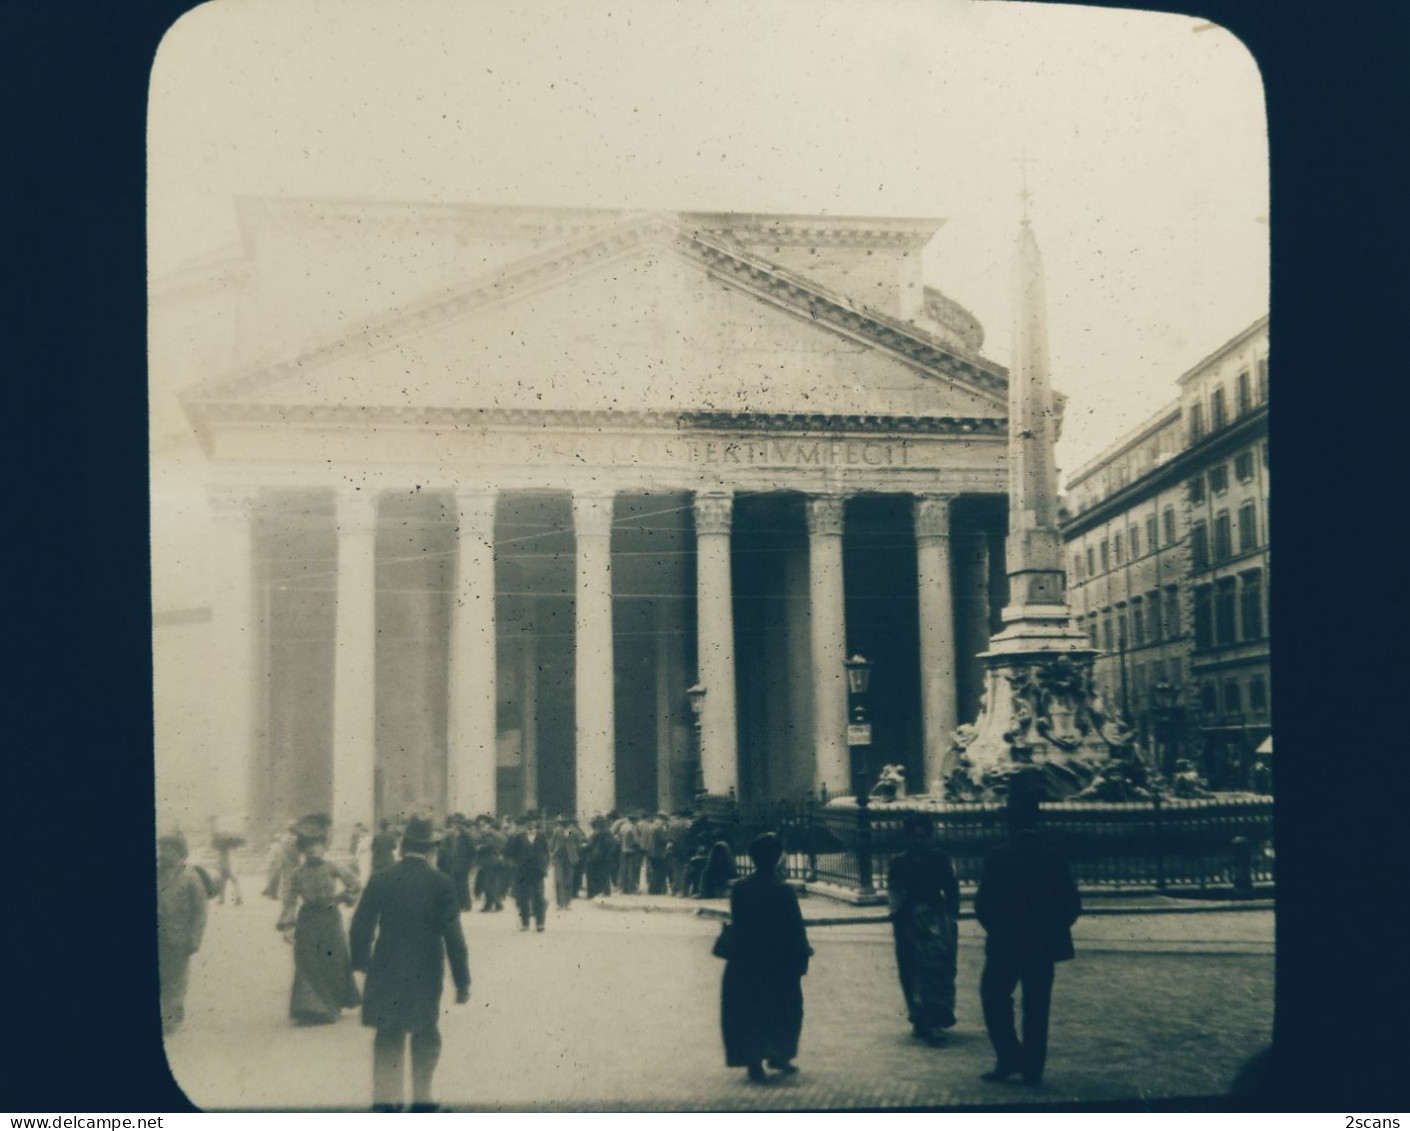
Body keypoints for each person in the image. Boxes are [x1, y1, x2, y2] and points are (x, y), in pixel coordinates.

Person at [350, 816, 471, 1113]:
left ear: (402, 848)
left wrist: (362, 961)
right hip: (426, 969)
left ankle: (386, 1101)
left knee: (388, 1032)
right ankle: (422, 1100)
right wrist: (462, 980)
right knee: (425, 1031)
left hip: (386, 965)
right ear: (430, 850)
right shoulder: (441, 883)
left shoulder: (381, 878)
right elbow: (454, 936)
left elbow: (360, 925)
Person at [975, 782, 1082, 1088]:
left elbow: (983, 905)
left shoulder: (997, 857)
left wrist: (998, 930)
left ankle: (1009, 1057)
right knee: (1037, 1005)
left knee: (994, 997)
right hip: (1042, 945)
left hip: (1005, 943)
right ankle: (1033, 1068)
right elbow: (1071, 905)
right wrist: (1050, 931)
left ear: (1010, 821)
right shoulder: (1054, 856)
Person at [720, 832, 812, 1083]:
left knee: (750, 1010)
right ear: (777, 858)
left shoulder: (740, 888)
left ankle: (754, 1061)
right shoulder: (783, 890)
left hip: (746, 959)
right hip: (778, 959)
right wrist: (802, 954)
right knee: (784, 1008)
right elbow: (795, 926)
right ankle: (779, 1054)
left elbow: (738, 921)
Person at [277, 814, 362, 1025]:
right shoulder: (296, 874)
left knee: (332, 960)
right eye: (308, 846)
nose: (313, 850)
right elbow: (289, 901)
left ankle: (331, 1005)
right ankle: (309, 1008)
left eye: (317, 845)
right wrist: (288, 926)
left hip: (330, 917)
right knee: (307, 961)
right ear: (302, 849)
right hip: (307, 920)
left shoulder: (333, 867)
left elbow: (355, 884)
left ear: (324, 846)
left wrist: (342, 898)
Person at [887, 813, 960, 1045]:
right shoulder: (898, 861)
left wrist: (950, 914)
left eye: (922, 836)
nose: (918, 841)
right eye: (913, 836)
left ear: (929, 836)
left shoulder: (940, 859)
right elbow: (894, 890)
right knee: (912, 969)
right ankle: (920, 1016)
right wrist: (898, 914)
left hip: (937, 917)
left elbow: (951, 888)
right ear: (907, 837)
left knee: (937, 967)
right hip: (909, 918)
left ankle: (935, 1018)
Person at [157, 832, 209, 1035]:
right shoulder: (157, 873)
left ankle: (170, 1019)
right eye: (161, 849)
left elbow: (200, 911)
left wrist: (195, 938)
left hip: (179, 938)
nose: (162, 854)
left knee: (176, 980)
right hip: (160, 936)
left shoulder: (191, 877)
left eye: (167, 850)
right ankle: (170, 1014)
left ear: (179, 853)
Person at [505, 812, 551, 931]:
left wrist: (544, 865)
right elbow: (512, 853)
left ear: (536, 823)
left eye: (533, 821)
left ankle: (540, 924)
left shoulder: (542, 835)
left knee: (539, 896)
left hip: (538, 872)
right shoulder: (519, 837)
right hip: (523, 872)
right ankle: (525, 923)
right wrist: (518, 864)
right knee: (523, 897)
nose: (531, 824)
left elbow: (546, 852)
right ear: (525, 824)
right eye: (528, 822)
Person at [550, 817, 584, 910]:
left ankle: (568, 903)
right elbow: (552, 845)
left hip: (570, 858)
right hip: (559, 858)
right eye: (562, 824)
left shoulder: (575, 832)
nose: (564, 825)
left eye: (566, 823)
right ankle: (559, 903)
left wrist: (573, 850)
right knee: (558, 880)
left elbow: (579, 844)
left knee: (568, 881)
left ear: (570, 823)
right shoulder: (557, 831)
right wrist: (553, 854)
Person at [583, 816, 616, 898]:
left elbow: (591, 845)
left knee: (592, 875)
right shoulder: (608, 832)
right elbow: (612, 844)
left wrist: (582, 848)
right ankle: (605, 892)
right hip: (605, 857)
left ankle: (592, 894)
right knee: (604, 875)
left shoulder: (597, 832)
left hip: (596, 857)